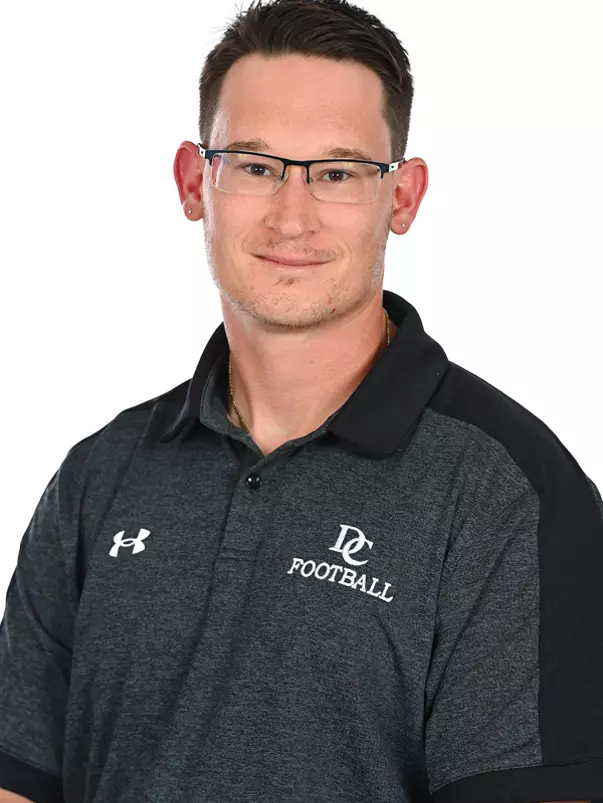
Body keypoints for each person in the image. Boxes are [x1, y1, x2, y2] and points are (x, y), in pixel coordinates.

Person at [1, 0, 602, 801]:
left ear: (402, 197)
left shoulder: (509, 493)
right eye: (254, 165)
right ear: (194, 181)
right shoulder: (99, 476)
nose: (292, 215)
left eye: (338, 172)